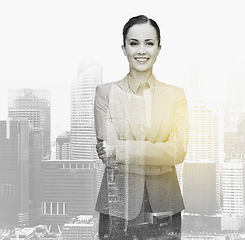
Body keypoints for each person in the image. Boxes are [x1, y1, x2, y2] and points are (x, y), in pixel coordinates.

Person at [94, 15, 189, 239]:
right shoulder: (105, 93)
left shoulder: (176, 95)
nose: (141, 50)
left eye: (149, 43)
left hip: (165, 207)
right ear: (124, 48)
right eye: (134, 43)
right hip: (117, 209)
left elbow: (178, 152)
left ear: (159, 48)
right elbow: (107, 154)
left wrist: (122, 149)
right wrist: (157, 157)